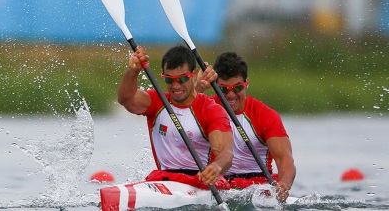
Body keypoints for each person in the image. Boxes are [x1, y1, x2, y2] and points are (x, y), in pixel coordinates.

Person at [117, 45, 234, 190]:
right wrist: (133, 72)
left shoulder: (212, 110)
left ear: (194, 74)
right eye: (169, 79)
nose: (176, 85)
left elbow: (225, 153)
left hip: (200, 182)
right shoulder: (156, 102)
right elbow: (125, 100)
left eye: (182, 78)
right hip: (164, 180)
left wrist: (216, 167)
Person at [196, 52, 296, 203]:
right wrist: (198, 88)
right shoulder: (205, 107)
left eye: (237, 88)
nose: (230, 95)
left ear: (246, 83)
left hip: (256, 188)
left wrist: (284, 185)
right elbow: (178, 116)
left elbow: (285, 160)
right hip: (217, 184)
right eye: (223, 89)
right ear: (215, 85)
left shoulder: (265, 115)